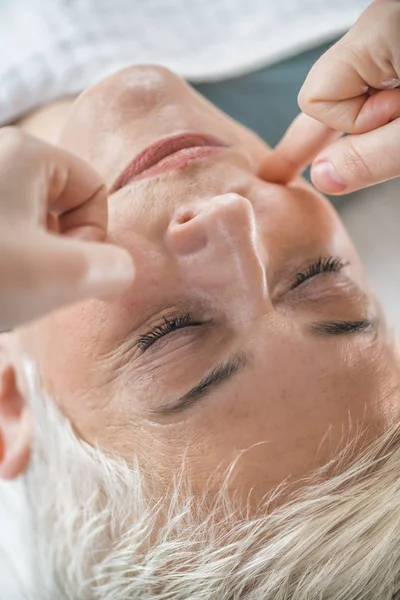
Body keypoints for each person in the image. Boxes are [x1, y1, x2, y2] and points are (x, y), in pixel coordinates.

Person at [1, 60, 400, 599]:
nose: (228, 216)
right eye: (318, 278)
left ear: (12, 406)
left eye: (172, 332)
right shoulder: (366, 67)